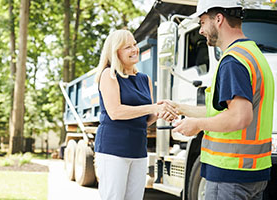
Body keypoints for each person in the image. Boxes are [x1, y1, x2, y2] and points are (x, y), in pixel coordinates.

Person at [165, 0, 275, 199]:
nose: (200, 30)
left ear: (218, 19)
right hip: (253, 172)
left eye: (202, 22)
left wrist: (197, 125)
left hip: (230, 173)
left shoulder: (233, 61)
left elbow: (240, 117)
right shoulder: (254, 55)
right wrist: (180, 108)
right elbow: (223, 113)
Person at [94, 29, 178, 200]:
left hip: (138, 150)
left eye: (134, 44)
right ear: (115, 52)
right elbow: (115, 112)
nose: (134, 49)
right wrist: (152, 108)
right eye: (127, 47)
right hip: (113, 149)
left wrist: (161, 111)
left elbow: (144, 120)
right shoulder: (109, 75)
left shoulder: (144, 79)